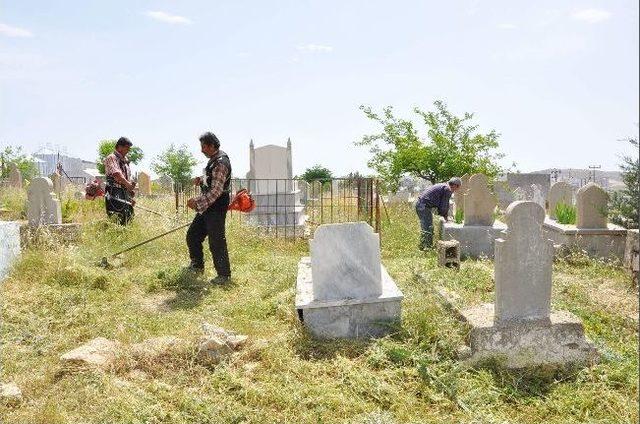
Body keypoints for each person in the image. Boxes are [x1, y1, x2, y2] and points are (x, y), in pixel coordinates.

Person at [185, 132, 232, 284]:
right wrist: (201, 181)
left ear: (212, 145)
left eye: (204, 146)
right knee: (193, 235)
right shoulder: (213, 160)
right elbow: (212, 182)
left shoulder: (221, 163)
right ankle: (197, 266)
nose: (202, 150)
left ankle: (224, 276)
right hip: (208, 206)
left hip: (216, 205)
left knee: (216, 240)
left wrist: (197, 202)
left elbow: (216, 191)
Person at [415, 177, 461, 250]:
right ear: (455, 185)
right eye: (458, 187)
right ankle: (427, 248)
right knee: (428, 228)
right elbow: (443, 206)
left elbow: (442, 205)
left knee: (426, 227)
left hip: (421, 205)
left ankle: (424, 246)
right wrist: (446, 217)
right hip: (423, 206)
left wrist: (444, 215)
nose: (457, 189)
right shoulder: (447, 189)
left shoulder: (444, 186)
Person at [104, 137, 136, 225]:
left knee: (129, 217)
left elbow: (126, 179)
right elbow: (116, 174)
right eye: (127, 148)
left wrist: (129, 194)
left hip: (124, 193)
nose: (128, 150)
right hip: (114, 192)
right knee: (118, 218)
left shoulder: (125, 162)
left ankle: (127, 238)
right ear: (119, 147)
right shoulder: (112, 158)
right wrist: (128, 185)